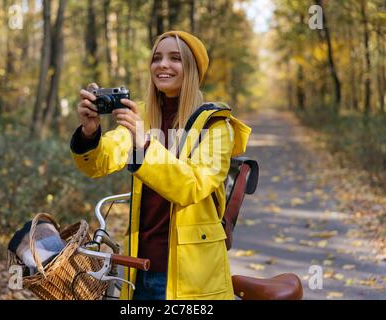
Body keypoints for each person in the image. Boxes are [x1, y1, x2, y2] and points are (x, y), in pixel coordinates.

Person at [70, 30, 251, 300]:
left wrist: (144, 145)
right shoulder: (142, 115)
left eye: (175, 58)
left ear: (192, 69)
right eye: (157, 58)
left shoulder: (215, 125)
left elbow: (191, 185)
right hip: (139, 265)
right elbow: (101, 162)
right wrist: (89, 132)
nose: (162, 64)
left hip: (191, 274)